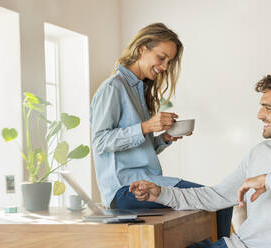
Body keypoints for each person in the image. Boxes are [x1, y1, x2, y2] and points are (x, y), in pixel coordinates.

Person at [130, 71, 271, 248]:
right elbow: (218, 196)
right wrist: (161, 193)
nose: (259, 115)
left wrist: (269, 181)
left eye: (268, 108)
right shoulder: (261, 151)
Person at [90, 23, 231, 238]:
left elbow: (136, 150)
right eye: (162, 57)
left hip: (146, 182)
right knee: (218, 201)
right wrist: (146, 126)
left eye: (169, 61)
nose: (165, 66)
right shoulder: (113, 87)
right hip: (125, 190)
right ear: (142, 49)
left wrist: (164, 138)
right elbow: (100, 142)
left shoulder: (139, 90)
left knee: (218, 202)